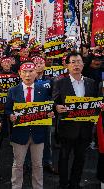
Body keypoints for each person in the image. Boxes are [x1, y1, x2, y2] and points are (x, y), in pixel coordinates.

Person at [52, 52, 98, 189]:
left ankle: (75, 183)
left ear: (83, 64)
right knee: (64, 157)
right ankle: (63, 183)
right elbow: (53, 102)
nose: (76, 65)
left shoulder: (91, 83)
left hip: (85, 128)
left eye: (79, 62)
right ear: (67, 65)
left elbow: (94, 104)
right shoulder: (60, 82)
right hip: (67, 128)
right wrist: (56, 107)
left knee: (80, 158)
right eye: (73, 62)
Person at [5, 62, 54, 189]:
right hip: (19, 134)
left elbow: (48, 107)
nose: (28, 75)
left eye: (31, 71)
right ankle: (16, 186)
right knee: (18, 164)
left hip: (38, 133)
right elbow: (8, 109)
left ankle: (38, 186)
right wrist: (11, 116)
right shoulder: (13, 90)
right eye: (25, 72)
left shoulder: (43, 90)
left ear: (36, 73)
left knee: (38, 164)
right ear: (20, 74)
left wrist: (50, 113)